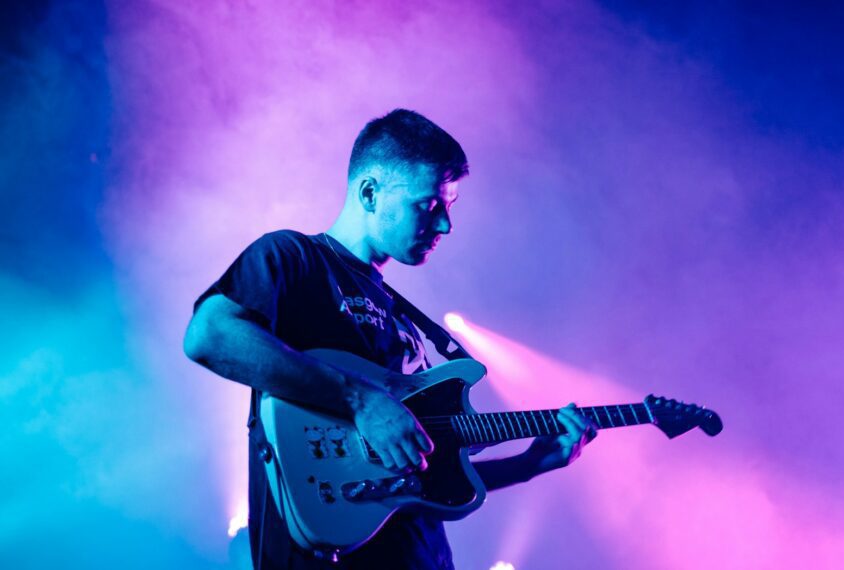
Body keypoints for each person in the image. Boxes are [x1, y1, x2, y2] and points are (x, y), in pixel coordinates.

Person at [183, 109, 597, 569]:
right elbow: (209, 334)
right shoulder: (294, 257)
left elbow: (421, 479)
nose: (444, 227)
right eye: (429, 205)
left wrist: (529, 464)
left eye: (449, 209)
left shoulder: (408, 324)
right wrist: (360, 400)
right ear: (370, 192)